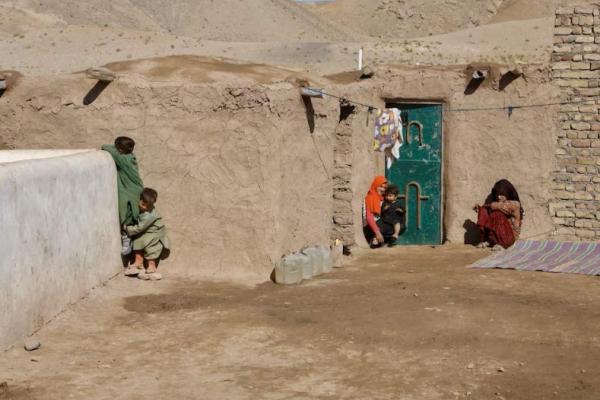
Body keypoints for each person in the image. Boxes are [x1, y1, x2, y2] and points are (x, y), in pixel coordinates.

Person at [101, 136, 144, 254]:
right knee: (131, 214)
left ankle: (127, 240)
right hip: (135, 189)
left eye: (116, 147)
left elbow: (105, 146)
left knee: (127, 213)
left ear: (119, 149)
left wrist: (113, 148)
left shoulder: (124, 160)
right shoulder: (130, 157)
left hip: (130, 190)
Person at [123, 188, 170, 280]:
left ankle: (151, 266)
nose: (144, 207)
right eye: (143, 204)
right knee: (137, 242)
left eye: (147, 206)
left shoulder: (149, 215)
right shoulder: (145, 210)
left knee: (152, 248)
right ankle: (138, 263)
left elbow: (140, 228)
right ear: (139, 200)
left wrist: (127, 228)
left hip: (154, 233)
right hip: (146, 232)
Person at [474, 179, 523, 250]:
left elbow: (497, 206)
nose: (499, 197)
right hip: (501, 235)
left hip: (510, 238)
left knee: (497, 214)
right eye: (498, 194)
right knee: (486, 212)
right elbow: (492, 207)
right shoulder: (497, 203)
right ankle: (491, 241)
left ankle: (502, 244)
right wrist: (481, 210)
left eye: (502, 194)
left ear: (508, 193)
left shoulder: (515, 204)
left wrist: (485, 207)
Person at [363, 175, 388, 248]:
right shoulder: (370, 197)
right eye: (380, 186)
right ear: (375, 185)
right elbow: (369, 217)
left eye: (384, 188)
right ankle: (375, 239)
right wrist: (377, 233)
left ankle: (376, 239)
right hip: (370, 227)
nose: (383, 189)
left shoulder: (381, 198)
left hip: (377, 225)